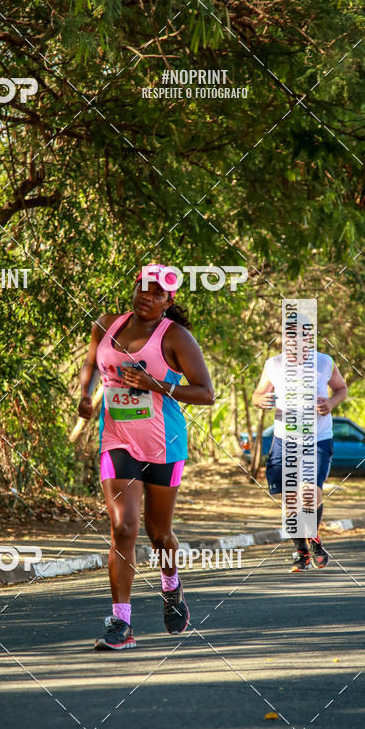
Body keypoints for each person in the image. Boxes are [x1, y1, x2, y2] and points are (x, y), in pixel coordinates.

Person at [77, 264, 215, 650]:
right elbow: (91, 364)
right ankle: (121, 623)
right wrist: (86, 395)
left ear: (169, 301)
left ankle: (171, 587)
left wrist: (158, 385)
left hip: (164, 445)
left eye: (158, 293)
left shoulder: (175, 337)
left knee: (159, 533)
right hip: (116, 440)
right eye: (144, 288)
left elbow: (206, 393)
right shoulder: (106, 323)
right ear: (135, 287)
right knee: (123, 527)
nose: (148, 297)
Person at [252, 324, 348, 571]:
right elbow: (257, 395)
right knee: (290, 498)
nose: (294, 340)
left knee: (311, 492)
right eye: (289, 335)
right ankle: (301, 552)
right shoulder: (273, 364)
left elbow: (341, 389)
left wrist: (331, 402)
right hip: (285, 439)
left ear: (310, 337)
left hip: (318, 438)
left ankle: (314, 539)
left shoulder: (325, 362)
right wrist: (260, 400)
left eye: (301, 335)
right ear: (283, 338)